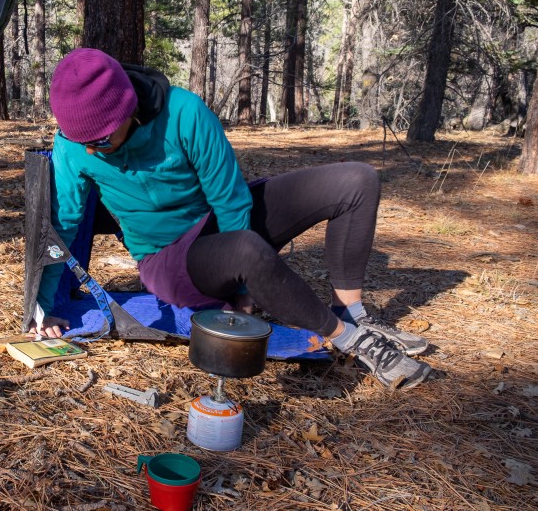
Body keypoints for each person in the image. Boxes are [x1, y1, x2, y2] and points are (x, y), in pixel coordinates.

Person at [30, 48, 432, 390]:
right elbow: (62, 224)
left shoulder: (183, 113)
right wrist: (42, 306)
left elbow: (229, 197)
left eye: (100, 140)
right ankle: (350, 339)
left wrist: (243, 288)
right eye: (83, 142)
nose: (93, 152)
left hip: (221, 229)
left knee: (355, 181)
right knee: (244, 250)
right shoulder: (74, 146)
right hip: (167, 260)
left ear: (128, 108)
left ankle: (350, 311)